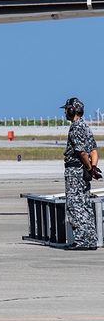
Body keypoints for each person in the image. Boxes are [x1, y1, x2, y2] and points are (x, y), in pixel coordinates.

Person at [61, 97, 101, 251]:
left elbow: (81, 151)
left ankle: (83, 240)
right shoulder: (85, 126)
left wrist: (90, 167)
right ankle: (90, 239)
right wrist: (93, 168)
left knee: (74, 205)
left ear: (73, 110)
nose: (65, 111)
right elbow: (94, 151)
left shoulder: (76, 127)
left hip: (75, 171)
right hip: (83, 171)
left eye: (67, 109)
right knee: (84, 204)